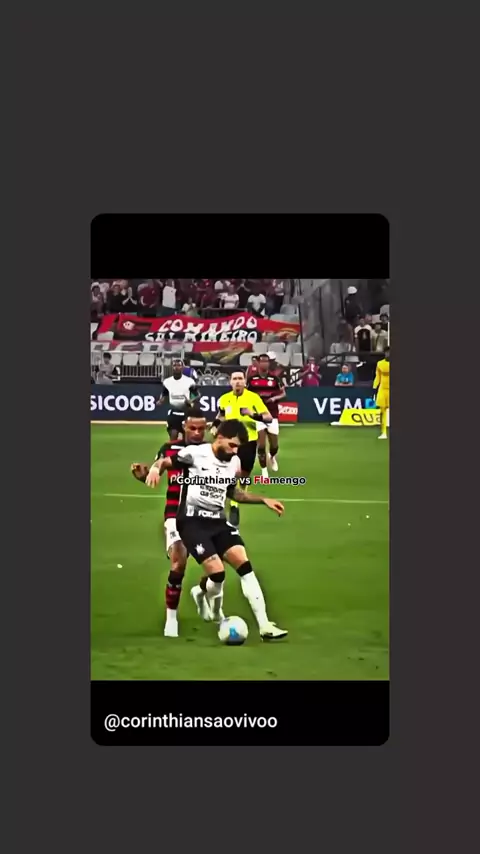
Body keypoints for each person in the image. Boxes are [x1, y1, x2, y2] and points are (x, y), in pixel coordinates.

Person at [145, 419, 288, 640]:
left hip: (217, 522)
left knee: (245, 565)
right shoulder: (195, 454)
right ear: (219, 438)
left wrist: (263, 500)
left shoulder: (234, 462)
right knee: (218, 573)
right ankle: (209, 605)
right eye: (232, 445)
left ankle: (265, 625)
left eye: (238, 447)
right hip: (191, 522)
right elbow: (165, 462)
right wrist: (155, 468)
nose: (235, 451)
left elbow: (234, 493)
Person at [130, 411, 209, 637]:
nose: (197, 433)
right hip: (175, 514)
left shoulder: (210, 451)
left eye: (201, 429)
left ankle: (200, 591)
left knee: (216, 570)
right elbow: (157, 469)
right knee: (178, 564)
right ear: (184, 427)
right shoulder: (169, 448)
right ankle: (171, 618)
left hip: (205, 514)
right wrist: (145, 474)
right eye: (192, 428)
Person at [211, 371, 272, 527]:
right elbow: (221, 415)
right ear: (230, 382)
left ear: (245, 382)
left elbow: (268, 417)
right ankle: (222, 504)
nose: (237, 381)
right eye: (235, 379)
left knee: (244, 474)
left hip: (248, 441)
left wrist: (253, 415)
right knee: (225, 472)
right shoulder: (224, 399)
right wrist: (215, 426)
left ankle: (235, 504)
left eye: (240, 379)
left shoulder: (253, 398)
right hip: (228, 442)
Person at [247, 353, 286, 476]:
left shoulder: (275, 379)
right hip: (258, 415)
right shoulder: (251, 379)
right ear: (258, 363)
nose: (264, 363)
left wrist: (274, 398)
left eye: (266, 361)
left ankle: (272, 456)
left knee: (274, 445)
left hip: (272, 414)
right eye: (262, 361)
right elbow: (246, 395)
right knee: (261, 445)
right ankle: (264, 470)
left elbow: (283, 393)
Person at [156, 359, 200, 440]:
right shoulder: (167, 382)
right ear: (171, 367)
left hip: (186, 412)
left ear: (182, 367)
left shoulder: (189, 381)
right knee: (173, 436)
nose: (176, 367)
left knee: (187, 438)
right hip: (173, 412)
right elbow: (164, 393)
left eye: (179, 365)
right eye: (174, 365)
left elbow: (197, 394)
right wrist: (161, 400)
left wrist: (191, 401)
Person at [373, 347, 390, 439]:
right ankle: (384, 432)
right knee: (382, 411)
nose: (388, 354)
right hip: (383, 389)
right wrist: (374, 387)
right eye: (387, 352)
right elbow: (377, 376)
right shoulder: (380, 363)